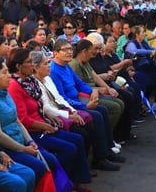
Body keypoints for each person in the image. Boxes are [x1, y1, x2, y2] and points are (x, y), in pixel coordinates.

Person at [7, 48, 96, 191]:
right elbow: (23, 119)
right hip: (33, 131)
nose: (32, 65)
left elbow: (42, 107)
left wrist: (51, 118)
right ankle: (59, 184)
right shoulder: (14, 86)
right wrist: (46, 126)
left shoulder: (30, 81)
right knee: (69, 148)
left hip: (44, 124)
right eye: (29, 62)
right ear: (18, 66)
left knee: (78, 138)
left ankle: (75, 180)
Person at [0, 56, 58, 184]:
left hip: (20, 142)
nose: (9, 75)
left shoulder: (4, 91)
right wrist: (23, 149)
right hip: (7, 149)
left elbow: (17, 120)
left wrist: (29, 140)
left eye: (8, 71)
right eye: (4, 73)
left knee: (50, 159)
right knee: (39, 167)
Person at [50, 39, 126, 171]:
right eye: (65, 49)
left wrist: (92, 91)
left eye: (70, 49)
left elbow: (79, 84)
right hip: (69, 106)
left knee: (102, 110)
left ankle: (107, 150)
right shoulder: (54, 71)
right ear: (56, 53)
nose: (69, 52)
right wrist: (84, 106)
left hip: (78, 99)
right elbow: (62, 99)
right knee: (97, 114)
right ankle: (99, 158)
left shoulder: (66, 66)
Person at [124, 26, 156, 113]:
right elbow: (135, 51)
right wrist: (150, 52)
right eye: (142, 32)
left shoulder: (143, 42)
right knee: (145, 81)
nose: (145, 34)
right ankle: (143, 104)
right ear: (137, 34)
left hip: (147, 66)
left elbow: (151, 49)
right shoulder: (131, 43)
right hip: (137, 68)